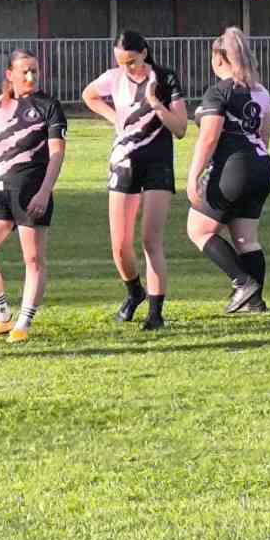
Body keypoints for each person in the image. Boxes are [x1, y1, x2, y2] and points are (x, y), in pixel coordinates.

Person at [80, 29, 189, 331]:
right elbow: (89, 95)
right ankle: (134, 292)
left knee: (150, 240)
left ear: (144, 53)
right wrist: (113, 116)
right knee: (119, 245)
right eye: (121, 62)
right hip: (124, 161)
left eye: (131, 61)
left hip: (157, 163)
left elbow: (181, 129)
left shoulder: (164, 78)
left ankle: (155, 313)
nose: (127, 68)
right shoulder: (114, 78)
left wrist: (155, 103)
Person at [0, 51, 68, 343]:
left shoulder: (49, 106)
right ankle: (1, 318)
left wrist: (44, 192)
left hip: (31, 191)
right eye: (25, 71)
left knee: (33, 259)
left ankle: (23, 323)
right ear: (10, 74)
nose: (31, 77)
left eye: (35, 70)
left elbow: (57, 154)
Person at [184, 26, 270, 314]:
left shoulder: (218, 92)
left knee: (198, 230)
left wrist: (193, 176)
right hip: (262, 166)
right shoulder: (261, 91)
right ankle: (255, 302)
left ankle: (242, 283)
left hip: (234, 167)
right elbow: (265, 134)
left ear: (218, 59)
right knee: (246, 239)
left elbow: (209, 138)